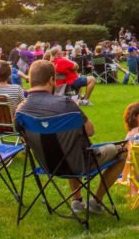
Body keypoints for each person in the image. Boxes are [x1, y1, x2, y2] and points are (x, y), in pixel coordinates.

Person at [17, 61, 127, 215]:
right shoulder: (66, 104)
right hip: (77, 162)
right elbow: (90, 131)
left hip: (47, 165)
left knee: (69, 145)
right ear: (51, 80)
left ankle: (77, 200)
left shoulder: (21, 109)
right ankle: (96, 201)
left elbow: (24, 139)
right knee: (122, 151)